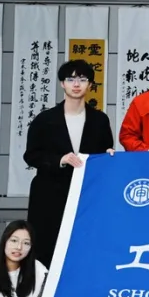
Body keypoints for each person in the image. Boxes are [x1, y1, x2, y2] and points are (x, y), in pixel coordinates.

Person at [24, 60, 114, 268]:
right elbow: (31, 155)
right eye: (71, 79)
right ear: (62, 83)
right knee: (47, 244)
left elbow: (104, 151)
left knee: (84, 244)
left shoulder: (99, 120)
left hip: (86, 193)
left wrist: (109, 156)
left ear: (90, 85)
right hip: (49, 192)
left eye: (82, 79)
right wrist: (60, 160)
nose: (76, 84)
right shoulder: (44, 119)